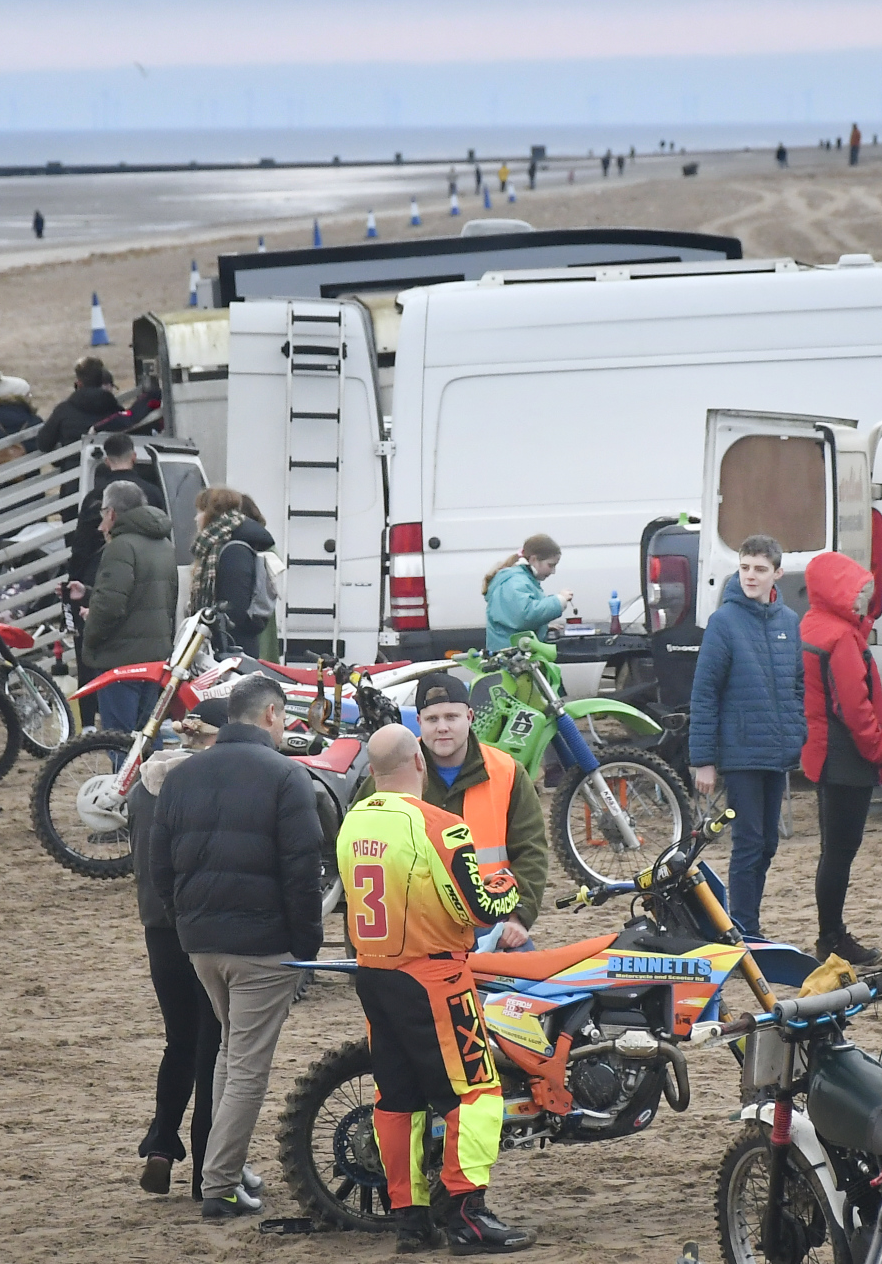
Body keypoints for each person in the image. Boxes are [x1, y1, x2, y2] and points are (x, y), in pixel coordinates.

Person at [336, 717, 534, 1253]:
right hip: (434, 979)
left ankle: (409, 1219)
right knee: (476, 1095)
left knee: (396, 1100)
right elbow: (479, 908)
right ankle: (467, 1214)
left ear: (372, 771)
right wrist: (506, 884)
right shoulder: (439, 825)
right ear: (419, 761)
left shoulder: (354, 820)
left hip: (374, 974)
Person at [147, 673, 324, 1221]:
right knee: (247, 1067)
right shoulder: (287, 775)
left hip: (202, 945)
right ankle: (220, 1185)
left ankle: (220, 1172)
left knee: (229, 1053)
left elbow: (160, 866)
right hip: (263, 946)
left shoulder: (182, 775)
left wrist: (187, 925)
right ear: (271, 715)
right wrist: (306, 948)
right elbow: (303, 871)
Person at [688, 537, 803, 939]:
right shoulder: (724, 622)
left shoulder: (789, 621)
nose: (750, 576)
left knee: (768, 843)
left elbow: (797, 684)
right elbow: (705, 691)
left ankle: (748, 925)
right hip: (740, 754)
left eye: (759, 569)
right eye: (745, 568)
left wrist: (797, 731)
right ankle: (744, 930)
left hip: (776, 752)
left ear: (777, 573)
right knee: (749, 843)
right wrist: (704, 760)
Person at [131, 710, 222, 1200]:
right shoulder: (209, 787)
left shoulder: (143, 787)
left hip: (158, 929)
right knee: (212, 1048)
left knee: (178, 1042)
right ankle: (207, 1171)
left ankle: (162, 1144)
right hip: (201, 927)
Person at [410, 673, 549, 950]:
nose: (442, 727)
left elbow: (531, 851)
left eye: (451, 717)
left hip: (489, 921)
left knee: (526, 973)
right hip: (417, 925)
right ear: (419, 722)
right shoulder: (397, 770)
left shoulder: (507, 772)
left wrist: (518, 918)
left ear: (470, 717)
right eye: (432, 719)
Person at [798, 551, 882, 967]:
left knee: (832, 849)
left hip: (824, 752)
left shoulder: (813, 626)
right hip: (846, 757)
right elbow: (854, 706)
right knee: (839, 851)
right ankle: (831, 936)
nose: (861, 601)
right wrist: (879, 748)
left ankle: (831, 933)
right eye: (856, 593)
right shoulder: (841, 638)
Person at [81, 482, 178, 733]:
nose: (101, 525)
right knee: (148, 735)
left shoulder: (121, 546)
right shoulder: (164, 545)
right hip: (154, 657)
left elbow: (110, 606)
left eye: (103, 513)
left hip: (120, 658)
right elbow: (160, 598)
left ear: (112, 513)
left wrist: (91, 635)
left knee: (118, 737)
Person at [69, 434, 166, 598]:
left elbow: (82, 544)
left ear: (107, 461)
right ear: (134, 457)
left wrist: (74, 580)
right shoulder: (153, 493)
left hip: (100, 574)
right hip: (144, 574)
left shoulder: (94, 497)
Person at [190, 489, 277, 658]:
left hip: (231, 649)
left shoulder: (233, 550)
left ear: (212, 514)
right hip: (229, 646)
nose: (196, 518)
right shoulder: (221, 546)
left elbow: (235, 609)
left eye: (200, 511)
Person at [481, 535, 570, 654]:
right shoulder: (514, 582)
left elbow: (515, 617)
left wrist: (542, 626)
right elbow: (524, 616)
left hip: (514, 654)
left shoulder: (522, 579)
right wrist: (559, 601)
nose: (553, 571)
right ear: (533, 559)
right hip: (511, 657)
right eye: (551, 565)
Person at [38, 356, 126, 453]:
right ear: (102, 382)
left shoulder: (63, 411)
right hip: (109, 461)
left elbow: (43, 444)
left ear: (79, 383)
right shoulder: (117, 411)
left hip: (73, 461)